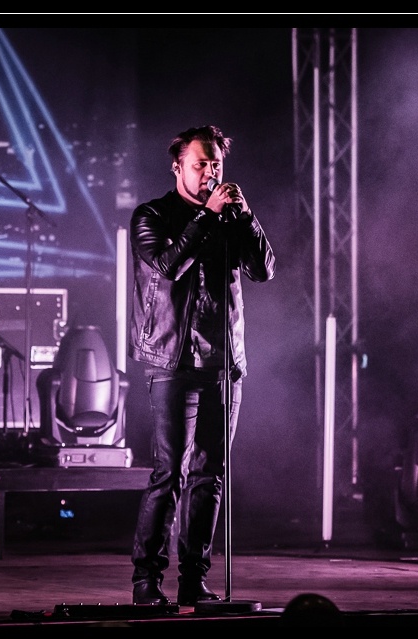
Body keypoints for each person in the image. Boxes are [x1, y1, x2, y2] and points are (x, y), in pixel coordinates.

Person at [128, 125, 276, 605]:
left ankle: (194, 579)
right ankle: (146, 581)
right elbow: (168, 265)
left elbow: (263, 270)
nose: (210, 172)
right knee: (169, 472)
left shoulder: (229, 217)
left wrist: (246, 217)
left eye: (216, 164)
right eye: (200, 164)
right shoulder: (152, 215)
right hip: (172, 361)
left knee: (210, 474)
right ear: (178, 167)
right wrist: (206, 217)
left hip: (222, 364)